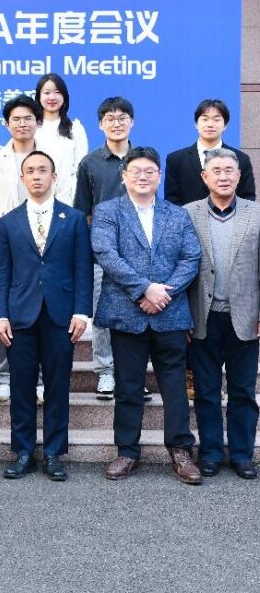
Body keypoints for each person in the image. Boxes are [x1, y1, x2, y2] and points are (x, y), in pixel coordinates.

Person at [91, 147, 202, 485]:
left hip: (170, 313)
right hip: (127, 313)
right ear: (124, 176)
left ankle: (180, 451)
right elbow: (106, 254)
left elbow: (191, 257)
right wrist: (143, 289)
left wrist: (164, 293)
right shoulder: (108, 211)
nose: (143, 176)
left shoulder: (177, 214)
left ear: (159, 176)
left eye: (150, 171)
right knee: (128, 387)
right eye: (136, 171)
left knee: (175, 387)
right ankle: (127, 451)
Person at [0, 151, 93, 482]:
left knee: (57, 386)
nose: (36, 176)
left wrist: (81, 311)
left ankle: (53, 453)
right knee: (21, 386)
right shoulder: (8, 222)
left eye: (42, 170)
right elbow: (1, 272)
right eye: (30, 171)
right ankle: (23, 452)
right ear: (22, 178)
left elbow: (82, 268)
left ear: (54, 177)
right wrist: (1, 315)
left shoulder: (74, 219)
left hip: (61, 315)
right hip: (20, 315)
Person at [184, 148, 260, 479]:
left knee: (243, 390)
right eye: (216, 171)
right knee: (206, 390)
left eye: (230, 170)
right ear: (205, 177)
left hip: (246, 316)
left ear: (239, 175)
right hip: (203, 316)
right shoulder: (187, 214)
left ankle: (242, 455)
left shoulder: (256, 214)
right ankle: (211, 453)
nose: (224, 176)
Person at [0, 94, 48, 404]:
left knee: (43, 305)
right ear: (6, 125)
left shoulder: (49, 157)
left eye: (28, 118)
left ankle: (41, 378)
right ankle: (6, 376)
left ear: (38, 122)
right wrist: (6, 221)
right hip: (5, 238)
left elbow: (63, 194)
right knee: (4, 303)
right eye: (15, 119)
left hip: (45, 240)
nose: (22, 124)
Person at [74, 96, 136, 402]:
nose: (116, 123)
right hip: (101, 251)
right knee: (102, 312)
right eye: (110, 119)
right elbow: (82, 210)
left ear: (132, 122)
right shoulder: (90, 163)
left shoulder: (142, 158)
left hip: (138, 250)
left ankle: (131, 374)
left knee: (136, 313)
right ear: (100, 124)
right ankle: (106, 371)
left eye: (122, 117)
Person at [165, 99, 255, 206]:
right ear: (196, 124)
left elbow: (247, 198)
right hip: (187, 216)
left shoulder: (241, 159)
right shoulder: (176, 159)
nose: (210, 124)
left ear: (225, 125)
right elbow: (172, 201)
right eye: (205, 119)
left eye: (216, 120)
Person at [33, 73, 89, 205]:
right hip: (36, 196)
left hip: (67, 199)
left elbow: (80, 167)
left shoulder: (75, 128)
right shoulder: (32, 127)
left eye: (57, 92)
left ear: (64, 97)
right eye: (47, 93)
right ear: (39, 96)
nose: (52, 97)